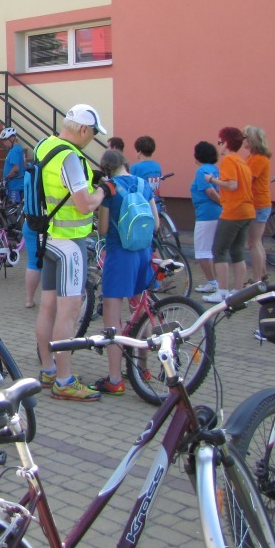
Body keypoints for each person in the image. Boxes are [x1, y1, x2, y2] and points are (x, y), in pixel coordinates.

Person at [33, 104, 109, 402]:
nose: (92, 139)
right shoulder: (70, 157)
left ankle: (48, 370)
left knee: (47, 307)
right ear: (83, 129)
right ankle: (64, 381)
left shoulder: (45, 145)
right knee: (69, 311)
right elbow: (84, 204)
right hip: (69, 243)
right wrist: (103, 191)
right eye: (93, 134)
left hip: (48, 237)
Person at [93, 149, 158, 395]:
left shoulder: (109, 189)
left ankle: (114, 378)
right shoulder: (143, 184)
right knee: (141, 312)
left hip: (119, 255)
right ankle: (142, 369)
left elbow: (103, 229)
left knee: (112, 318)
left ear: (105, 168)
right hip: (143, 253)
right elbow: (156, 223)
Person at [202, 127, 255, 303]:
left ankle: (222, 292)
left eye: (220, 142)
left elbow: (232, 185)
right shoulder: (242, 161)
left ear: (225, 143)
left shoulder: (229, 160)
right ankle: (238, 292)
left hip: (233, 211)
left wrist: (212, 180)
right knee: (237, 251)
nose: (219, 145)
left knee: (219, 250)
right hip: (247, 211)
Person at [190, 141, 223, 294]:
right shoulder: (215, 169)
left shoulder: (201, 171)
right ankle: (215, 281)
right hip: (216, 213)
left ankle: (212, 282)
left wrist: (222, 203)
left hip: (206, 214)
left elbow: (210, 192)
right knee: (211, 249)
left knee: (202, 251)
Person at [241, 125, 272, 284]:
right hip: (256, 204)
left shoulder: (259, 159)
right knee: (256, 242)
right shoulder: (252, 157)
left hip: (258, 204)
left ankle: (257, 278)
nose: (242, 140)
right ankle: (262, 274)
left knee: (254, 242)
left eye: (245, 137)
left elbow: (248, 179)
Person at [0, 128, 25, 202]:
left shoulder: (15, 150)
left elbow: (16, 169)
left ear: (12, 139)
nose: (3, 143)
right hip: (17, 185)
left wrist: (6, 178)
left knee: (14, 206)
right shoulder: (18, 149)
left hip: (15, 186)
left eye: (5, 140)